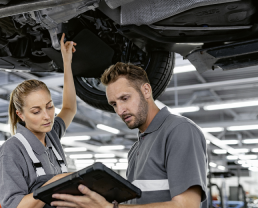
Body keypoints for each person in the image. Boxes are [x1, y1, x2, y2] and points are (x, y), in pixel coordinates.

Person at [51, 62, 207, 208]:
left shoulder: (179, 130)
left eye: (124, 98)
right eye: (114, 104)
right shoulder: (135, 149)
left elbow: (187, 205)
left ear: (146, 90)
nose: (119, 110)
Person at [0, 34, 77, 208]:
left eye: (49, 106)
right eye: (36, 111)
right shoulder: (12, 150)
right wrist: (55, 182)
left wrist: (67, 63)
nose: (47, 116)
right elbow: (14, 206)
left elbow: (69, 107)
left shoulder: (52, 135)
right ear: (21, 115)